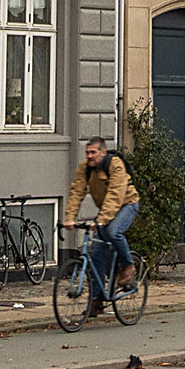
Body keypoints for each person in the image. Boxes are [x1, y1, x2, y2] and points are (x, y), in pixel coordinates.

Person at [63, 135, 138, 321]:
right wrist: (70, 218)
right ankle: (97, 300)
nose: (89, 156)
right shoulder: (85, 168)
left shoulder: (115, 165)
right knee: (96, 251)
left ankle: (129, 266)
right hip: (107, 210)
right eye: (87, 152)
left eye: (93, 153)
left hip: (126, 204)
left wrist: (101, 220)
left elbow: (115, 195)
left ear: (103, 152)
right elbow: (76, 191)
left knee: (113, 232)